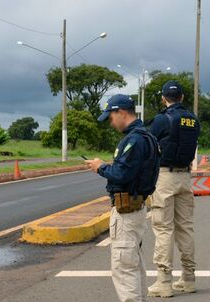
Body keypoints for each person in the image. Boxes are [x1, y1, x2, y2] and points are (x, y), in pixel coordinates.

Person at [85, 94, 160, 302]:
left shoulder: (133, 140)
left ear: (122, 112)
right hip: (137, 207)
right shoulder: (147, 136)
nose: (110, 121)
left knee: (124, 268)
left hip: (127, 211)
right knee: (133, 264)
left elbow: (121, 175)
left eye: (111, 115)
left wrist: (101, 167)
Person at [146, 80, 200, 297]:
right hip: (185, 177)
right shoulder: (193, 120)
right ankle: (188, 278)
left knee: (163, 228)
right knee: (185, 227)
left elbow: (148, 144)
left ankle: (164, 281)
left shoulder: (162, 119)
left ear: (163, 98)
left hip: (165, 177)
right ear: (183, 98)